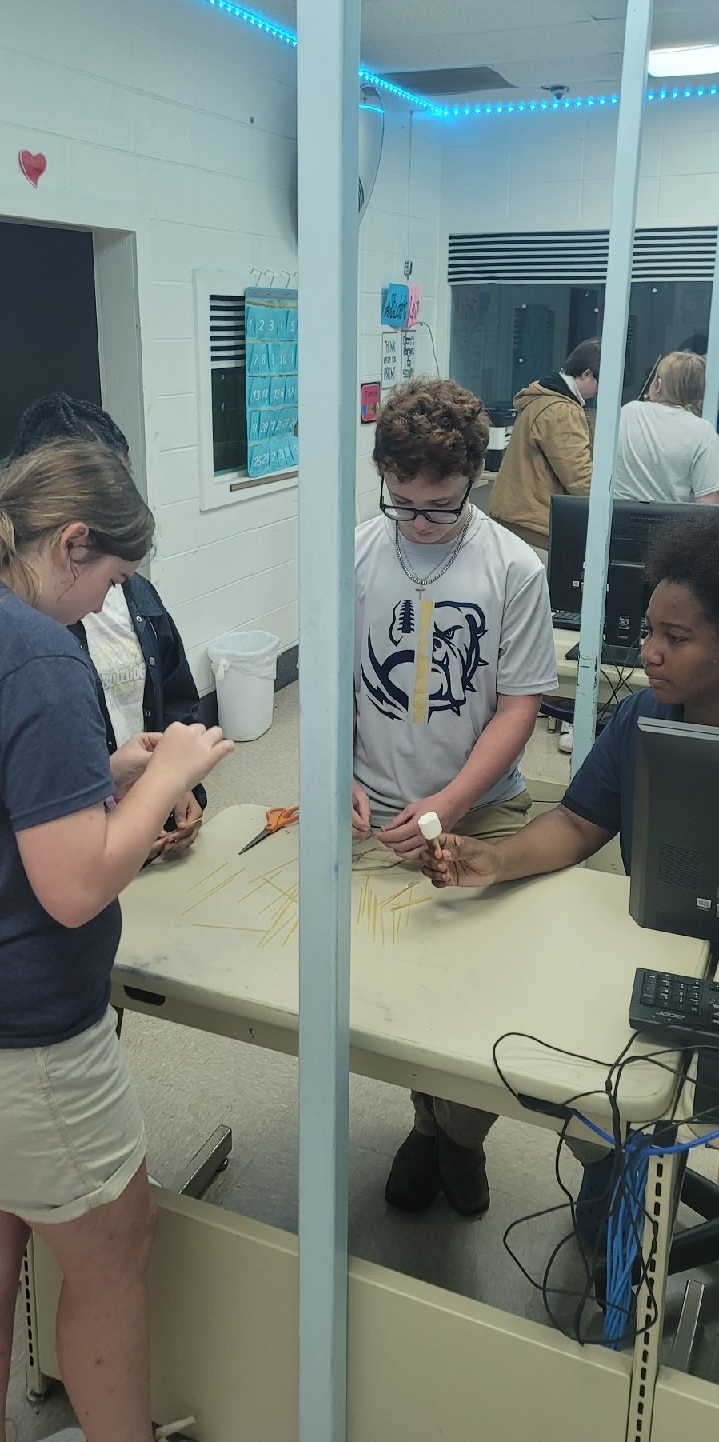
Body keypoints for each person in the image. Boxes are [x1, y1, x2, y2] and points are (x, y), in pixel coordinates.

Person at [0, 440, 232, 1442]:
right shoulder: (36, 651)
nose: (105, 604)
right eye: (111, 578)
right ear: (73, 542)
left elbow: (5, 790)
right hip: (26, 1032)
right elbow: (75, 886)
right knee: (116, 1250)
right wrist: (169, 773)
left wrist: (104, 767)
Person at [421, 509, 719, 1240]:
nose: (647, 652)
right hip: (648, 959)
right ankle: (596, 1231)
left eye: (673, 638)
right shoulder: (644, 716)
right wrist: (494, 858)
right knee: (600, 1161)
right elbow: (580, 821)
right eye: (647, 630)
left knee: (644, 1127)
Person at [353, 378, 558, 1217]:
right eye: (399, 502)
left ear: (474, 474)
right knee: (394, 991)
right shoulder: (357, 550)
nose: (416, 524)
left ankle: (458, 1137)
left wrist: (447, 802)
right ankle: (422, 1124)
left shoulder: (512, 567)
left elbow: (516, 707)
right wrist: (337, 784)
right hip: (375, 806)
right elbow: (336, 683)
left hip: (481, 806)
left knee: (472, 996)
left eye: (436, 508)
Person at [7, 393, 206, 859]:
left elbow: (177, 702)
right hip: (80, 865)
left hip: (123, 850)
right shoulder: (27, 647)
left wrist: (175, 785)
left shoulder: (134, 595)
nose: (103, 602)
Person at [488, 338, 600, 553]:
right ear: (586, 374)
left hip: (514, 513)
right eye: (600, 381)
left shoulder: (542, 398)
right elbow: (579, 478)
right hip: (532, 522)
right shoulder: (561, 411)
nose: (599, 391)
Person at [614, 351, 719, 506]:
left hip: (616, 520)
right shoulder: (704, 431)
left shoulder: (629, 411)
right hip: (672, 527)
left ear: (659, 385)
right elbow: (708, 502)